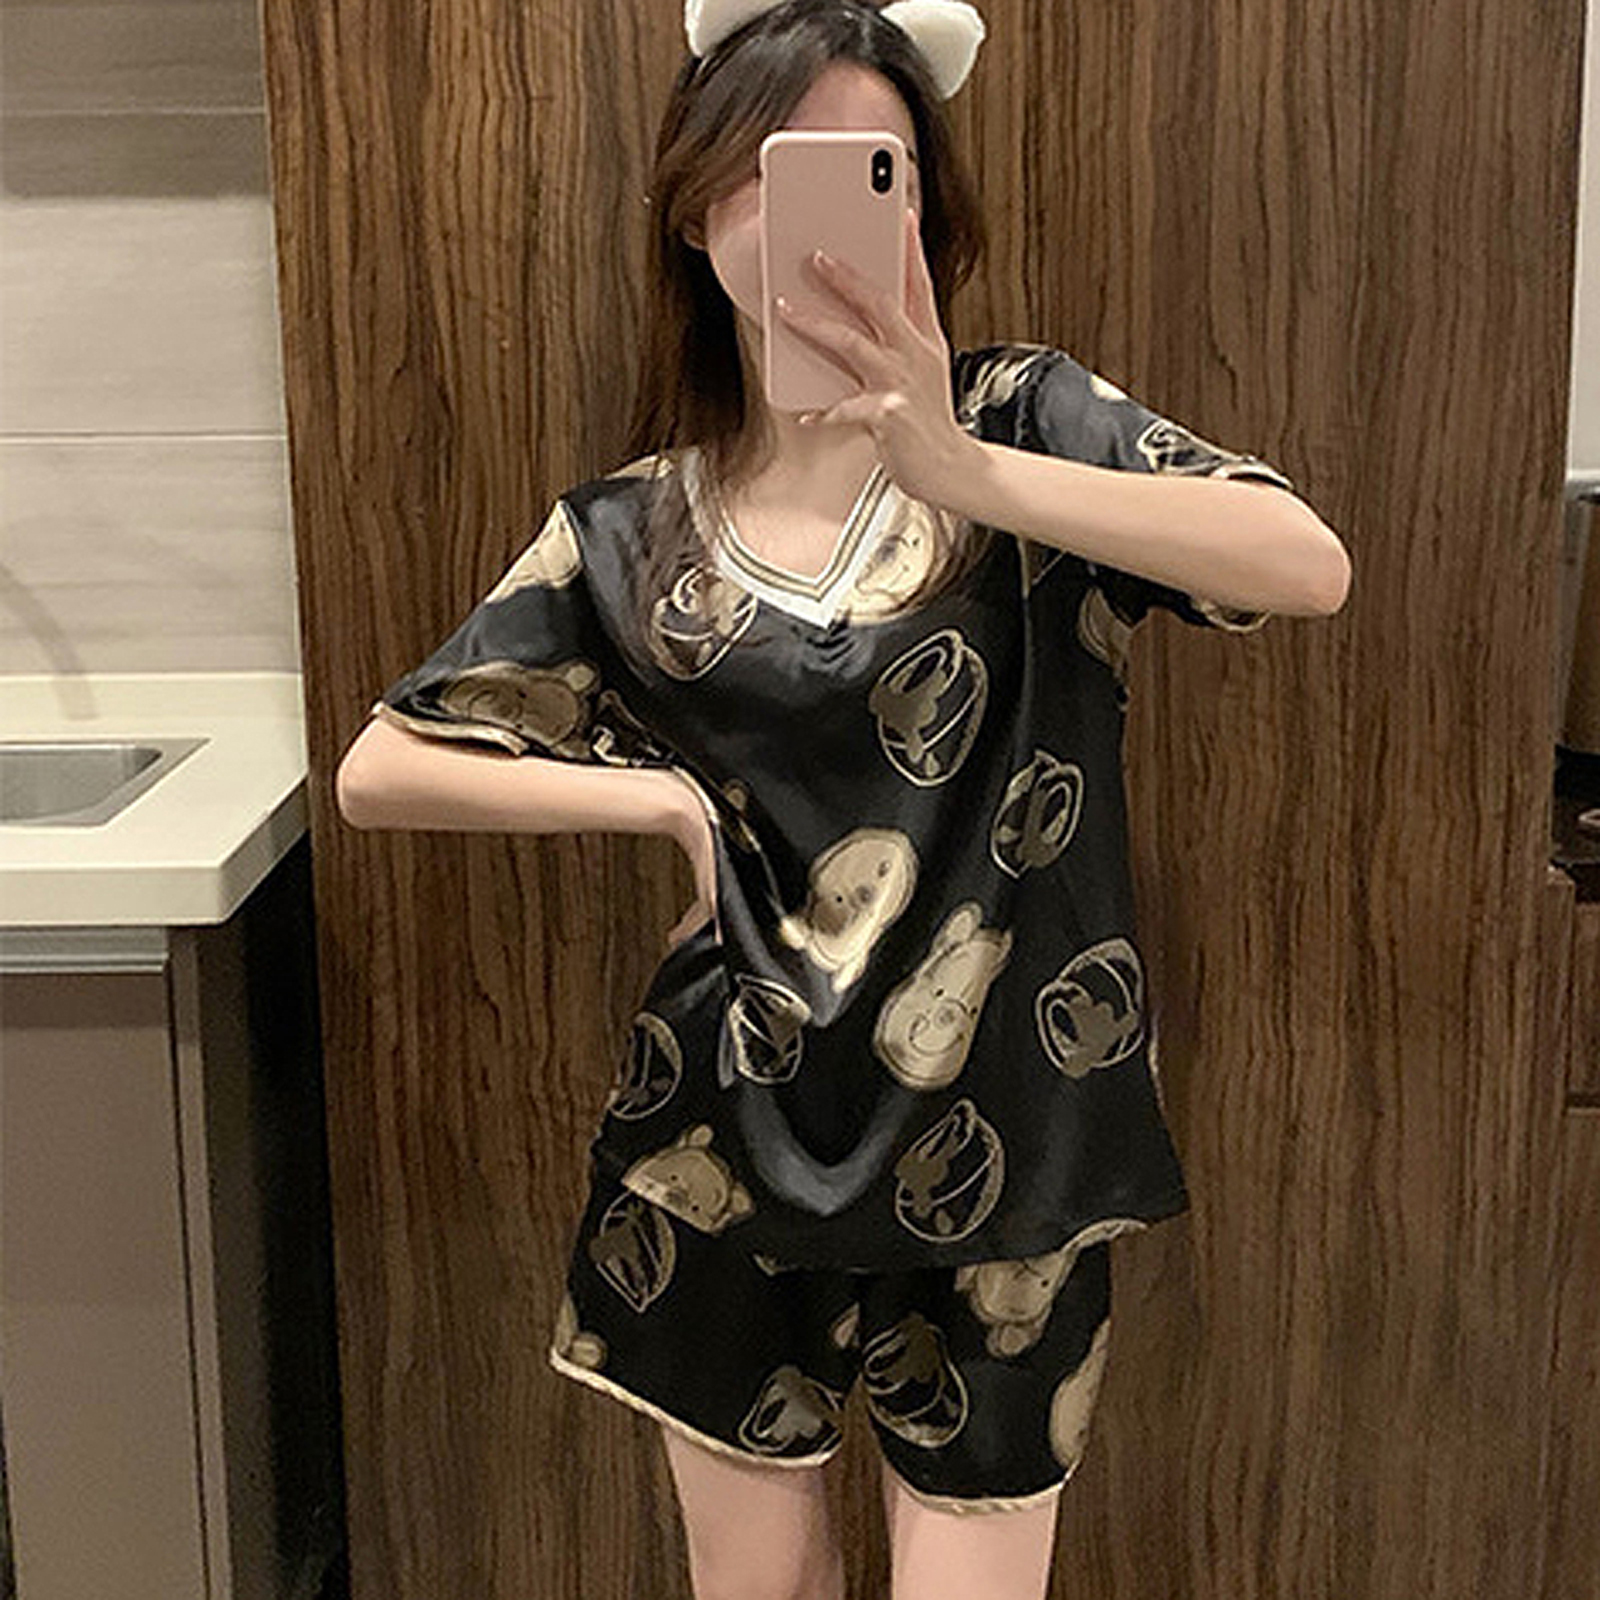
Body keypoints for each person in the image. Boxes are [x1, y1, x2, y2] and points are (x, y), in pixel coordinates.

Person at [334, 2, 1351, 1597]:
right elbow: (382, 769)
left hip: (1007, 1140)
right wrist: (663, 806)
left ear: (923, 211)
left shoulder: (1022, 423)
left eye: (872, 169)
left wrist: (967, 475)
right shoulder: (631, 531)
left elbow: (1304, 563)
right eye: (773, 166)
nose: (816, 212)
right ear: (695, 206)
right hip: (724, 1137)